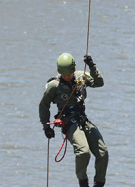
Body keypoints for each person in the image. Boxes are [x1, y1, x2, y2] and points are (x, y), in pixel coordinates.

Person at [39, 53, 108, 187]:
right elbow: (44, 105)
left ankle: (99, 184)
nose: (67, 77)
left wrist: (92, 66)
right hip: (69, 123)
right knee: (83, 152)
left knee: (103, 153)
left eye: (69, 74)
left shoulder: (80, 77)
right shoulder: (54, 85)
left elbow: (99, 83)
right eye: (64, 75)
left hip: (83, 120)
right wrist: (46, 126)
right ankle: (83, 183)